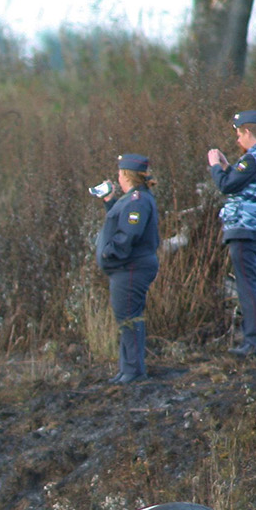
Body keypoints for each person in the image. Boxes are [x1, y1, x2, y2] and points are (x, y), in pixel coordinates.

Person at [207, 110, 256, 360]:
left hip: (244, 228)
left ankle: (255, 345)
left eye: (239, 134)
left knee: (247, 287)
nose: (238, 140)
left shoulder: (252, 159)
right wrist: (230, 167)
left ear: (248, 132)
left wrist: (215, 166)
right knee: (254, 287)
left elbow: (226, 186)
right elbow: (244, 182)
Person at [94, 154, 160, 384]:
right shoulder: (131, 199)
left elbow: (130, 232)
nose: (118, 177)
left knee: (129, 318)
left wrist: (110, 253)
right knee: (126, 317)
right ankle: (127, 369)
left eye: (120, 173)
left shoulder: (137, 200)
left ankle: (133, 371)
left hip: (131, 266)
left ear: (125, 175)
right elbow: (121, 224)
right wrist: (110, 202)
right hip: (127, 267)